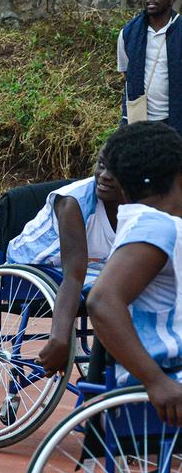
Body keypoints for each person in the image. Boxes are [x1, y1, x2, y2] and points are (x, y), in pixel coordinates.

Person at [87, 121, 182, 426]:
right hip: (168, 371)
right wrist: (155, 381)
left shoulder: (147, 221)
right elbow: (102, 301)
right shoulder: (157, 226)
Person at [6, 154, 127, 374]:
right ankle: (101, 375)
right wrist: (60, 340)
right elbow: (73, 275)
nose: (105, 176)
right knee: (112, 294)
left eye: (116, 171)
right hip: (35, 264)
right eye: (101, 165)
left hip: (86, 265)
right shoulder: (74, 202)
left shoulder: (146, 204)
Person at [118, 0, 181, 133]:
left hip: (175, 120)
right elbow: (127, 72)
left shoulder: (179, 30)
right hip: (138, 119)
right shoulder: (128, 32)